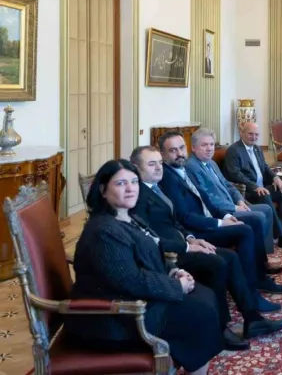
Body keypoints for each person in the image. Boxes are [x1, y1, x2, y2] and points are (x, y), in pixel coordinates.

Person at [64, 159, 235, 375]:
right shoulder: (104, 231)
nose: (130, 189)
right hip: (114, 319)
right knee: (199, 313)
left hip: (135, 302)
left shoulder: (129, 217)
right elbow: (131, 280)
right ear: (103, 190)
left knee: (205, 296)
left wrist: (173, 271)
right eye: (121, 183)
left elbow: (150, 254)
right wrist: (176, 286)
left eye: (134, 182)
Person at [131, 145, 282, 328]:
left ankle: (253, 318)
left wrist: (191, 238)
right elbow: (151, 236)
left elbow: (176, 221)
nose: (159, 168)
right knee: (220, 261)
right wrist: (189, 245)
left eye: (159, 163)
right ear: (136, 167)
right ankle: (221, 326)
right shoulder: (139, 194)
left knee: (231, 255)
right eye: (152, 164)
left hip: (186, 239)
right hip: (169, 254)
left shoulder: (156, 187)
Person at [157, 132, 282, 299]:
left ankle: (260, 272)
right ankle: (254, 283)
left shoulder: (186, 168)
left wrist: (227, 215)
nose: (180, 153)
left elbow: (208, 195)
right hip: (199, 228)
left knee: (253, 222)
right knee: (248, 227)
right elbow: (185, 217)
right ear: (163, 154)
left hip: (214, 215)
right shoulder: (174, 174)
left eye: (181, 148)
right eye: (173, 150)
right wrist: (221, 221)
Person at [184, 128, 277, 255]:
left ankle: (265, 252)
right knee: (258, 216)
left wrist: (239, 200)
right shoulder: (192, 166)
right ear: (194, 148)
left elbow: (227, 184)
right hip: (220, 211)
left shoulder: (211, 163)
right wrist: (235, 207)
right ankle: (258, 255)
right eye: (204, 145)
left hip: (232, 204)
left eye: (211, 144)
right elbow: (207, 197)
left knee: (267, 209)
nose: (209, 148)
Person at [223, 122, 282, 252]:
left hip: (262, 187)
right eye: (250, 134)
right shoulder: (234, 150)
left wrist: (276, 178)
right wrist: (254, 187)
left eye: (256, 135)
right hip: (246, 191)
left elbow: (265, 167)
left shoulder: (257, 148)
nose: (254, 137)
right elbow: (235, 174)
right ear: (242, 133)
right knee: (264, 194)